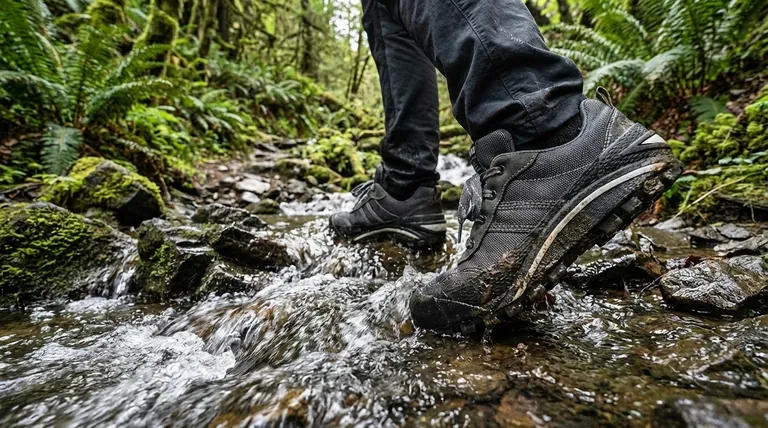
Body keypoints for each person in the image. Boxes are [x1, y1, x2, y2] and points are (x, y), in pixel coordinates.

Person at [329, 0, 681, 332]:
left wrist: (531, 122)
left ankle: (545, 133)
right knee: (383, 9)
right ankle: (404, 188)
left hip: (538, 127)